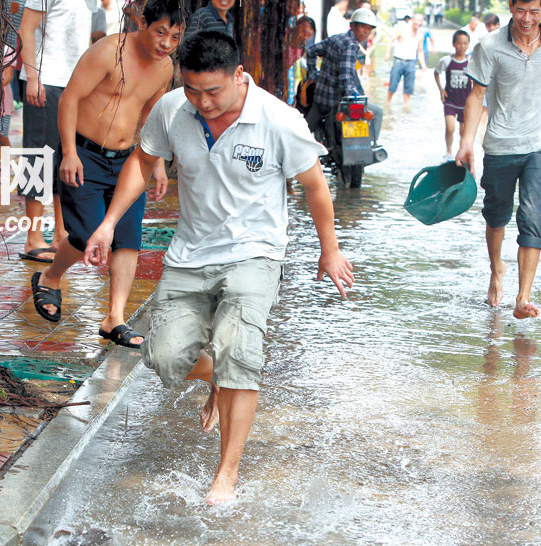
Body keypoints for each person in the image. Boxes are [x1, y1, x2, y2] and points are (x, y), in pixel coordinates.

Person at [82, 32, 354, 505]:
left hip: (256, 253)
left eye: (214, 91)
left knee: (239, 352)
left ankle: (225, 475)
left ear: (238, 76)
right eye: (193, 91)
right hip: (190, 254)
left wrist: (329, 250)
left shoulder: (277, 120)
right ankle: (218, 378)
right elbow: (142, 163)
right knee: (162, 357)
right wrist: (107, 224)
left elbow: (313, 185)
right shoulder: (172, 109)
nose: (203, 103)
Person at [30, 0, 183, 348]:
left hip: (129, 160)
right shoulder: (108, 51)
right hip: (84, 154)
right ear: (142, 22)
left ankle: (114, 318)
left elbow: (151, 114)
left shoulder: (164, 67)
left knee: (127, 237)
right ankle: (50, 276)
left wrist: (156, 161)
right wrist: (69, 152)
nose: (166, 43)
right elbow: (70, 99)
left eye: (174, 37)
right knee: (87, 234)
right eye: (161, 32)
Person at [455, 0, 541, 320]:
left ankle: (523, 297)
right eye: (521, 10)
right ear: (511, 6)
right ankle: (497, 269)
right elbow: (476, 95)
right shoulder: (490, 46)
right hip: (500, 144)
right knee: (496, 216)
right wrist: (466, 142)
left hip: (539, 144)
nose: (527, 19)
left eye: (534, 11)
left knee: (531, 214)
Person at [18, 0, 91, 263]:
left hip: (75, 84)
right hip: (46, 81)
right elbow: (26, 29)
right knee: (38, 157)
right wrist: (33, 77)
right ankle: (33, 237)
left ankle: (61, 233)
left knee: (64, 158)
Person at [304, 8, 380, 138]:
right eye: (362, 27)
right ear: (353, 26)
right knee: (378, 112)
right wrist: (354, 97)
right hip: (337, 103)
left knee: (304, 132)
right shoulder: (351, 45)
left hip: (320, 97)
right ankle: (371, 146)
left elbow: (311, 51)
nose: (366, 32)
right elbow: (346, 76)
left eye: (369, 28)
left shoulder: (336, 38)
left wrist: (313, 74)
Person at [434, 30, 472, 157]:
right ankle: (448, 151)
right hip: (450, 100)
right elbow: (436, 73)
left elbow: (477, 79)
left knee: (463, 132)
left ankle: (460, 154)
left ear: (468, 45)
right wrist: (441, 90)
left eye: (465, 43)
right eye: (459, 43)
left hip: (465, 102)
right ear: (454, 44)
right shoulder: (446, 61)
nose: (462, 46)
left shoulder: (471, 62)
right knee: (450, 128)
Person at [385, 12, 423, 110]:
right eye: (417, 20)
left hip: (411, 62)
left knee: (409, 86)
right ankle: (388, 103)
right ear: (412, 20)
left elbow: (420, 51)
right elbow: (391, 40)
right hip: (398, 60)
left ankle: (406, 106)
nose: (419, 23)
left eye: (421, 21)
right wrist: (387, 53)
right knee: (393, 83)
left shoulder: (420, 35)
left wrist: (423, 65)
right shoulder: (402, 30)